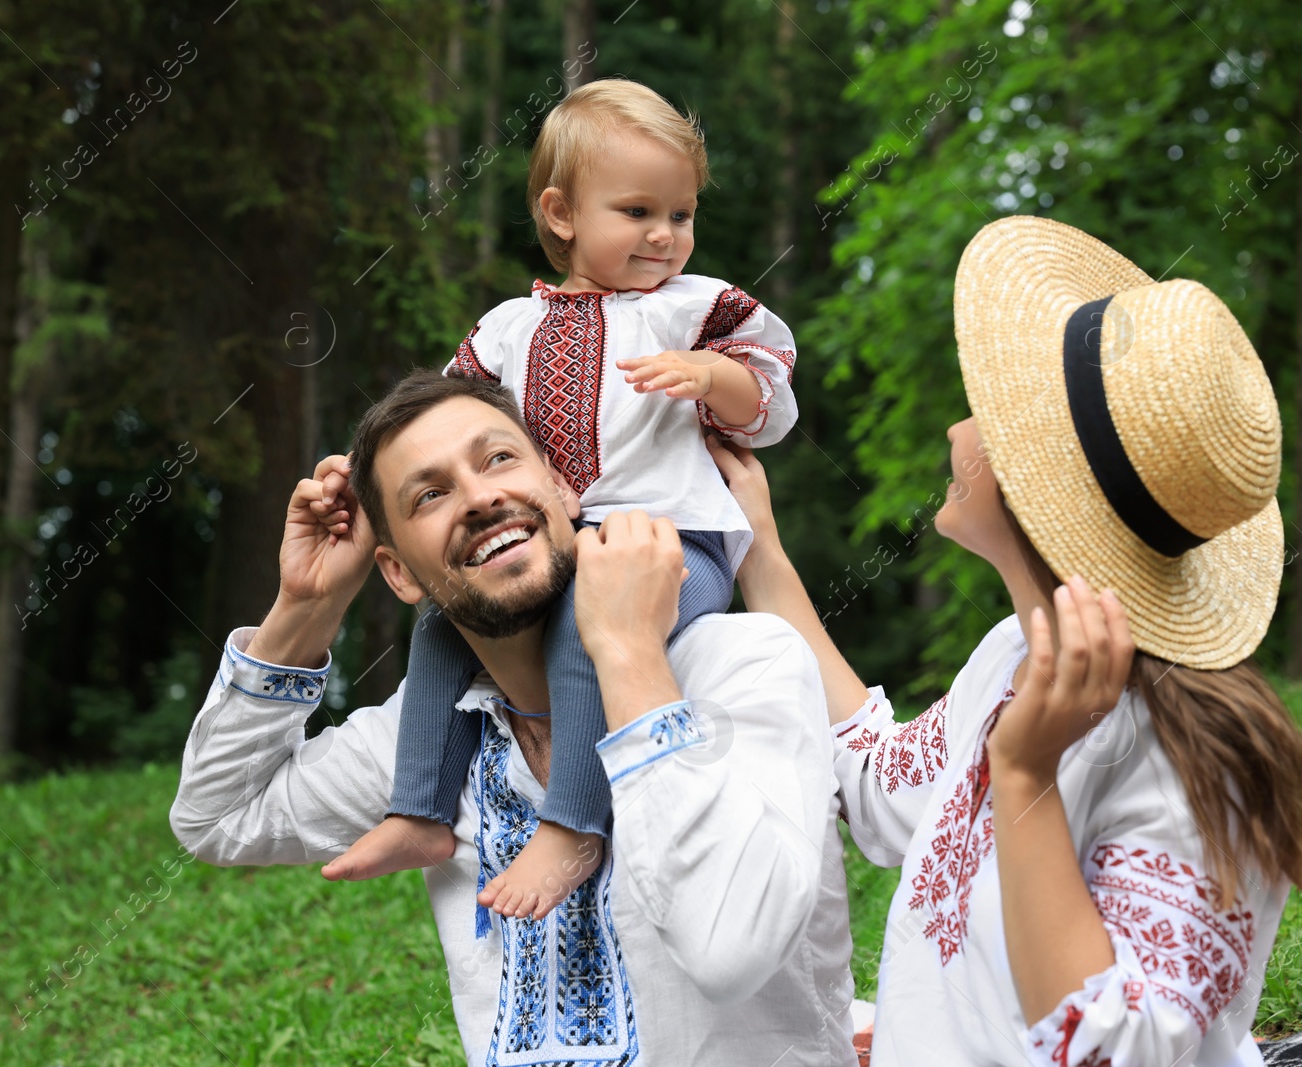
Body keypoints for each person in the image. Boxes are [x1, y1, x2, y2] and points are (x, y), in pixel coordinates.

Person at [709, 214, 1302, 1066]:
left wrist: (1025, 775)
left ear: (1031, 484)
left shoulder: (1192, 764)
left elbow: (1113, 1048)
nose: (956, 428)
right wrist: (759, 548)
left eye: (989, 407)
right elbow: (879, 784)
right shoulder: (1013, 658)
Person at [170, 371, 858, 1066]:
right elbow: (216, 816)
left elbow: (729, 947)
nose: (480, 497)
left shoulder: (744, 665)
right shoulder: (434, 733)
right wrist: (306, 606)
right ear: (398, 573)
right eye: (430, 494)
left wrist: (626, 650)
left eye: (499, 457)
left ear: (564, 490)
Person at [326, 77, 799, 922]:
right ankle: (421, 809)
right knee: (443, 619)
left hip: (673, 539)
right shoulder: (511, 324)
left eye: (682, 215)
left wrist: (713, 376)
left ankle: (575, 822)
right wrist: (363, 469)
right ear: (561, 213)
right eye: (638, 212)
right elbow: (436, 417)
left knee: (589, 609)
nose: (665, 235)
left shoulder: (692, 309)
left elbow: (769, 401)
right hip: (563, 533)